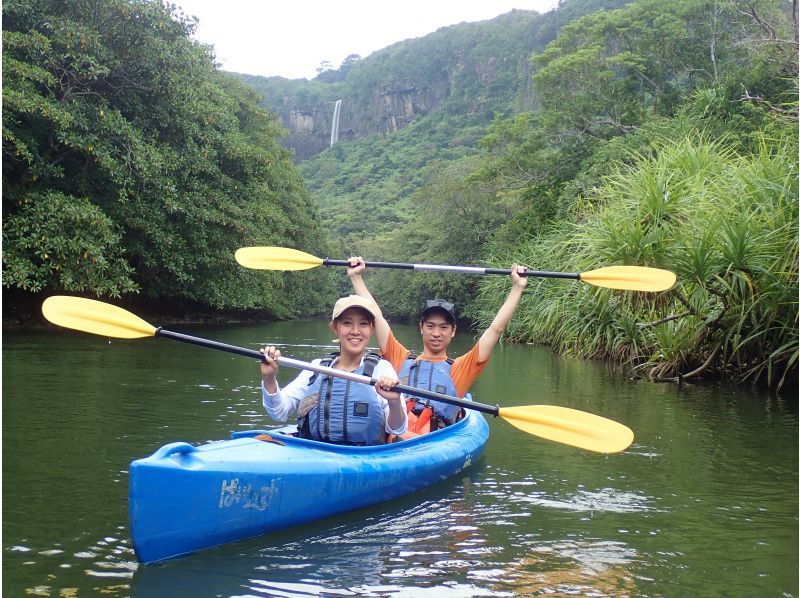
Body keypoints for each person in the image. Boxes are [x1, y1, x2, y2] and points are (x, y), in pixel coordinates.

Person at [347, 258, 528, 436]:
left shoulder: (460, 369)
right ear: (421, 327)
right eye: (431, 326)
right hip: (397, 431)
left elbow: (495, 330)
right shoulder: (400, 358)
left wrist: (517, 287)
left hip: (429, 441)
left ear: (453, 331)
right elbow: (377, 317)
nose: (436, 333)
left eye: (443, 327)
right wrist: (356, 277)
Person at [259, 294, 407, 445]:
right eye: (347, 323)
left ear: (372, 329)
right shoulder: (315, 369)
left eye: (363, 324)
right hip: (315, 455)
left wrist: (394, 402)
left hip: (365, 459)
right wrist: (269, 378)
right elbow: (278, 412)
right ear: (335, 327)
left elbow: (397, 429)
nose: (355, 331)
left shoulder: (382, 370)